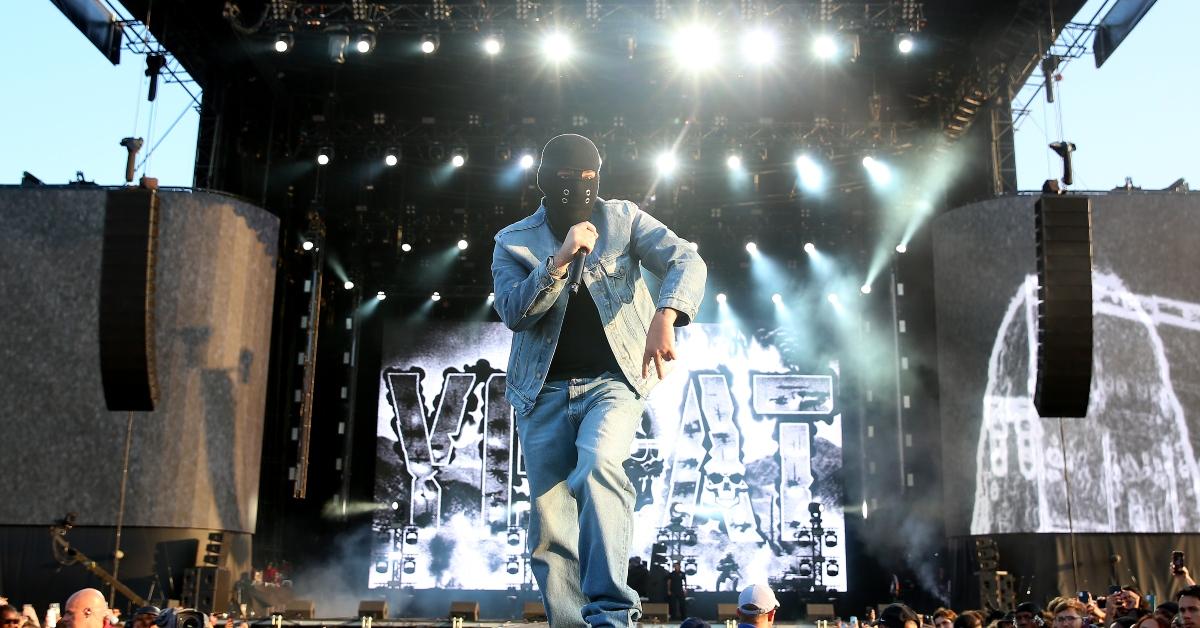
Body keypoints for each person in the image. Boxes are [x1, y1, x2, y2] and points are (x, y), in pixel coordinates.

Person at [491, 133, 706, 627]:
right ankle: (568, 622)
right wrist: (560, 261)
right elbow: (513, 313)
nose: (579, 189)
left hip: (612, 382)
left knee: (600, 461)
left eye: (589, 179)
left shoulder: (624, 219)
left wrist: (666, 314)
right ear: (545, 181)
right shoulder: (513, 240)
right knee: (550, 518)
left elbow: (686, 259)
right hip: (541, 392)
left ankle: (610, 614)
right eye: (567, 180)